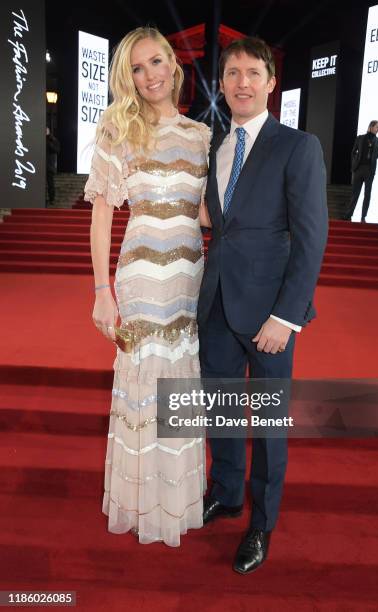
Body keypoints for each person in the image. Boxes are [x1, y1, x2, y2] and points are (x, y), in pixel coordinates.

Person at [197, 37, 328, 574]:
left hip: (272, 313)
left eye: (253, 72)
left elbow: (311, 236)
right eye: (232, 73)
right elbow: (217, 226)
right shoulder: (215, 146)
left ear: (272, 82)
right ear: (222, 83)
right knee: (221, 412)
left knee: (269, 425)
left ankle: (261, 522)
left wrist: (286, 316)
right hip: (218, 304)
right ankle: (226, 494)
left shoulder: (298, 146)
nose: (242, 83)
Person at [84, 27, 211, 547]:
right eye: (136, 68)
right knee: (143, 386)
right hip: (139, 278)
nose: (149, 76)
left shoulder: (202, 136)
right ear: (127, 79)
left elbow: (206, 213)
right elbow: (100, 216)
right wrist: (100, 290)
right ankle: (140, 501)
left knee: (178, 385)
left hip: (188, 277)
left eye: (156, 62)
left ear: (174, 66)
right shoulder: (118, 128)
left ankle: (176, 501)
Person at [342, 120, 378, 222]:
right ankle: (348, 215)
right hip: (358, 169)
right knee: (355, 194)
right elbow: (353, 152)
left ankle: (363, 217)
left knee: (367, 194)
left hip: (370, 171)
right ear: (371, 126)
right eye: (377, 127)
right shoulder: (360, 138)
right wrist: (354, 166)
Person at [46, 127, 60, 207]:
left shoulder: (53, 140)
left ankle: (51, 199)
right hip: (40, 166)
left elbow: (57, 150)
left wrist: (48, 140)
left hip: (49, 166)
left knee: (50, 183)